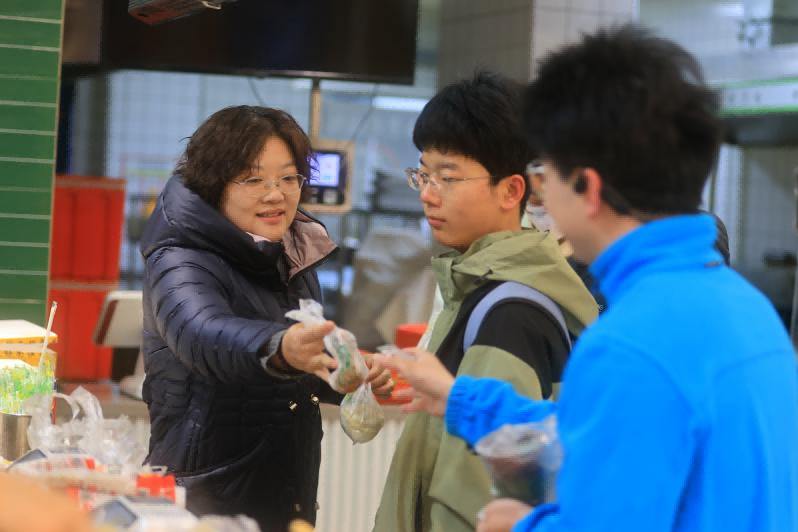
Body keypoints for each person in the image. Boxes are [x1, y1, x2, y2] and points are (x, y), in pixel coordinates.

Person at [377, 26, 798, 532]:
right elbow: (602, 435)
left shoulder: (631, 342)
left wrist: (520, 526)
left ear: (588, 188)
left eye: (545, 172)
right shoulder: (744, 307)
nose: (540, 194)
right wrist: (462, 401)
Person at [139, 105, 393, 531]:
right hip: (201, 502)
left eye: (289, 178)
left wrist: (345, 371)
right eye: (253, 180)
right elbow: (203, 334)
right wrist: (280, 347)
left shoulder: (289, 251)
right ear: (214, 184)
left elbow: (294, 366)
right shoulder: (179, 258)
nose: (276, 195)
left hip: (284, 495)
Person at [373, 72, 598, 532]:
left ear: (512, 190)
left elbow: (473, 499)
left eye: (448, 177)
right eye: (423, 174)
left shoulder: (510, 314)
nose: (428, 194)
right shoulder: (481, 286)